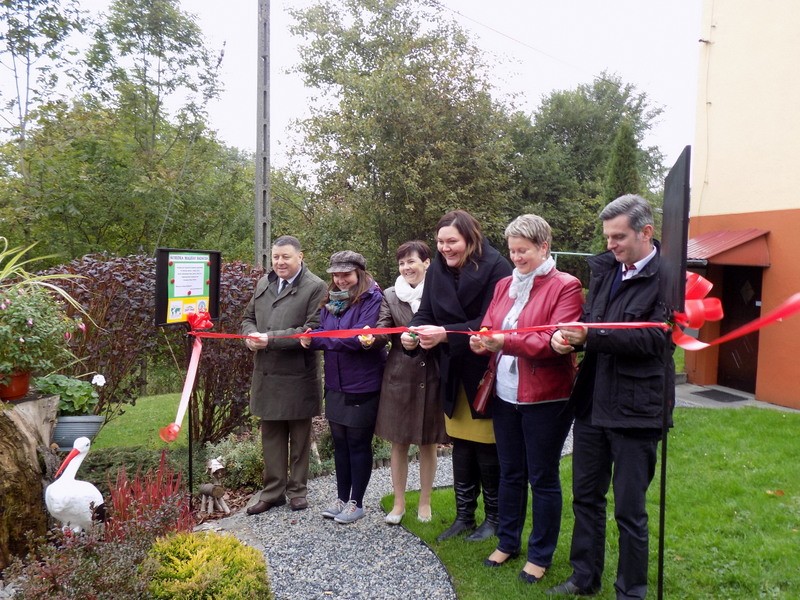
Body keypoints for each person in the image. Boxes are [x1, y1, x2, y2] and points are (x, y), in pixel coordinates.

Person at [547, 194, 675, 599]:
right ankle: (584, 577)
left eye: (619, 237)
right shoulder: (606, 272)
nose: (611, 245)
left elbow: (658, 337)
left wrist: (593, 336)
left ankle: (631, 590)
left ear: (646, 232)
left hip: (637, 410)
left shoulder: (669, 278)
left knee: (629, 509)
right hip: (593, 404)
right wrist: (569, 338)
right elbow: (589, 322)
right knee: (586, 497)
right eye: (607, 237)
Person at [469, 214, 583, 584]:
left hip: (546, 397)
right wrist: (481, 339)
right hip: (504, 393)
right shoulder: (504, 285)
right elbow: (490, 323)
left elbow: (552, 341)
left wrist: (504, 341)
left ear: (544, 247)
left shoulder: (566, 286)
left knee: (543, 476)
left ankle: (540, 554)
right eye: (513, 250)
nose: (516, 257)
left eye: (524, 251)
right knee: (510, 472)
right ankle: (508, 541)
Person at [402, 209, 512, 542]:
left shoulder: (497, 267)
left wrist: (446, 334)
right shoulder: (435, 269)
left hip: (484, 370)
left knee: (487, 444)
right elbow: (425, 313)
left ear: (470, 238)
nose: (446, 248)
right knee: (461, 442)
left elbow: (492, 320)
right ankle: (465, 515)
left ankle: (494, 517)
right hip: (451, 369)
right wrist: (412, 335)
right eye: (440, 241)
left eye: (453, 241)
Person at [241, 235, 328, 515]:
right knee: (271, 436)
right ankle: (272, 492)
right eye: (276, 257)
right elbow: (248, 318)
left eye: (286, 257)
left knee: (300, 436)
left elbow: (311, 329)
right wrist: (248, 336)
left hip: (298, 373)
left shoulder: (316, 287)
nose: (279, 262)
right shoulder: (264, 283)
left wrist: (269, 339)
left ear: (300, 257)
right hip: (267, 372)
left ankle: (297, 491)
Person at [366, 240, 449, 525]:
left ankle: (424, 501)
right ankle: (399, 503)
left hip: (433, 372)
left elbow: (448, 327)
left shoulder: (440, 290)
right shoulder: (390, 295)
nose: (406, 267)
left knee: (428, 442)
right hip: (400, 374)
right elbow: (383, 327)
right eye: (402, 263)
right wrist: (371, 336)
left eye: (412, 261)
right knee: (398, 442)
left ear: (427, 263)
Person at [300, 251, 386, 524]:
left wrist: (318, 341)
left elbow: (357, 340)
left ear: (359, 273)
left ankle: (357, 502)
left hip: (363, 383)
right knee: (340, 444)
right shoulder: (329, 302)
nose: (340, 280)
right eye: (336, 275)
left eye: (346, 274)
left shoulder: (373, 299)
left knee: (358, 443)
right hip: (336, 383)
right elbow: (322, 330)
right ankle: (341, 497)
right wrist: (310, 335)